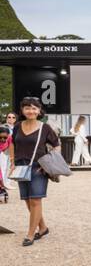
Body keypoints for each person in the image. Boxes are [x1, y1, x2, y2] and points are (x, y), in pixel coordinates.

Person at [11, 96, 61, 246]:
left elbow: (56, 145)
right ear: (23, 110)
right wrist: (12, 161)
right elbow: (12, 143)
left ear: (39, 111)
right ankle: (43, 227)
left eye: (34, 108)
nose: (31, 111)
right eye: (27, 108)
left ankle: (30, 234)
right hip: (20, 167)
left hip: (38, 167)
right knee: (27, 199)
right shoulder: (18, 126)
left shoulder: (44, 128)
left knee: (35, 199)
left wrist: (50, 162)